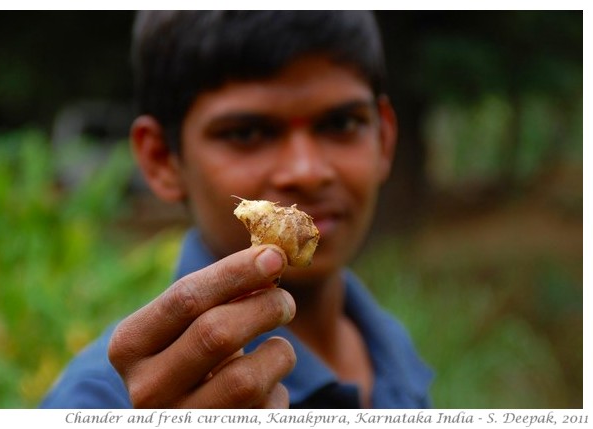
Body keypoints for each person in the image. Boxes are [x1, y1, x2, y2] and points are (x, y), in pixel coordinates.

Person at [40, 10, 433, 409]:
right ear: (161, 158)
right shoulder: (103, 400)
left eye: (342, 123)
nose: (307, 171)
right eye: (247, 133)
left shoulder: (391, 343)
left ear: (384, 138)